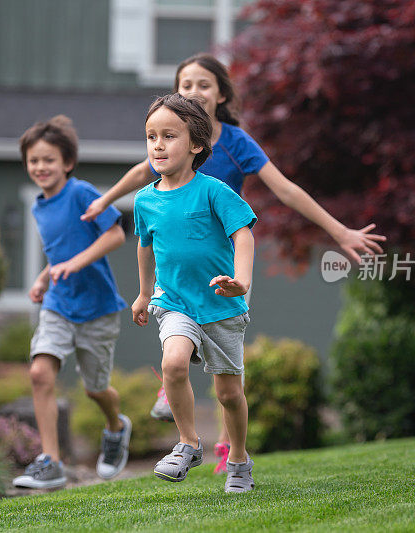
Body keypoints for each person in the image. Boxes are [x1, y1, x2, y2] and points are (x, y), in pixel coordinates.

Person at [83, 53, 386, 473]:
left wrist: (339, 231)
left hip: (226, 269)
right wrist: (103, 199)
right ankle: (179, 393)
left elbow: (286, 191)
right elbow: (142, 173)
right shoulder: (163, 155)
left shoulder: (236, 144)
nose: (193, 91)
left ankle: (231, 450)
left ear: (221, 95)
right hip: (176, 280)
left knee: (227, 385)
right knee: (178, 349)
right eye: (184, 84)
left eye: (203, 84)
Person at [133, 93, 257, 493]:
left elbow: (243, 234)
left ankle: (238, 458)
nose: (157, 144)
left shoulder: (214, 191)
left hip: (220, 305)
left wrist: (241, 280)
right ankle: (188, 443)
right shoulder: (145, 200)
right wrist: (142, 294)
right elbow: (145, 247)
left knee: (229, 393)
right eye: (151, 136)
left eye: (169, 136)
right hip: (173, 302)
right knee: (172, 364)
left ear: (197, 145)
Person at [11, 115, 132, 489]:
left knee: (95, 389)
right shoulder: (38, 207)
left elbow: (115, 234)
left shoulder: (81, 193)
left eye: (48, 160)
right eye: (34, 160)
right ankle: (52, 462)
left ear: (66, 163)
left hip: (97, 309)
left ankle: (116, 427)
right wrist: (43, 278)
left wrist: (73, 264)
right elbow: (59, 252)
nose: (40, 167)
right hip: (59, 305)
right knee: (39, 373)